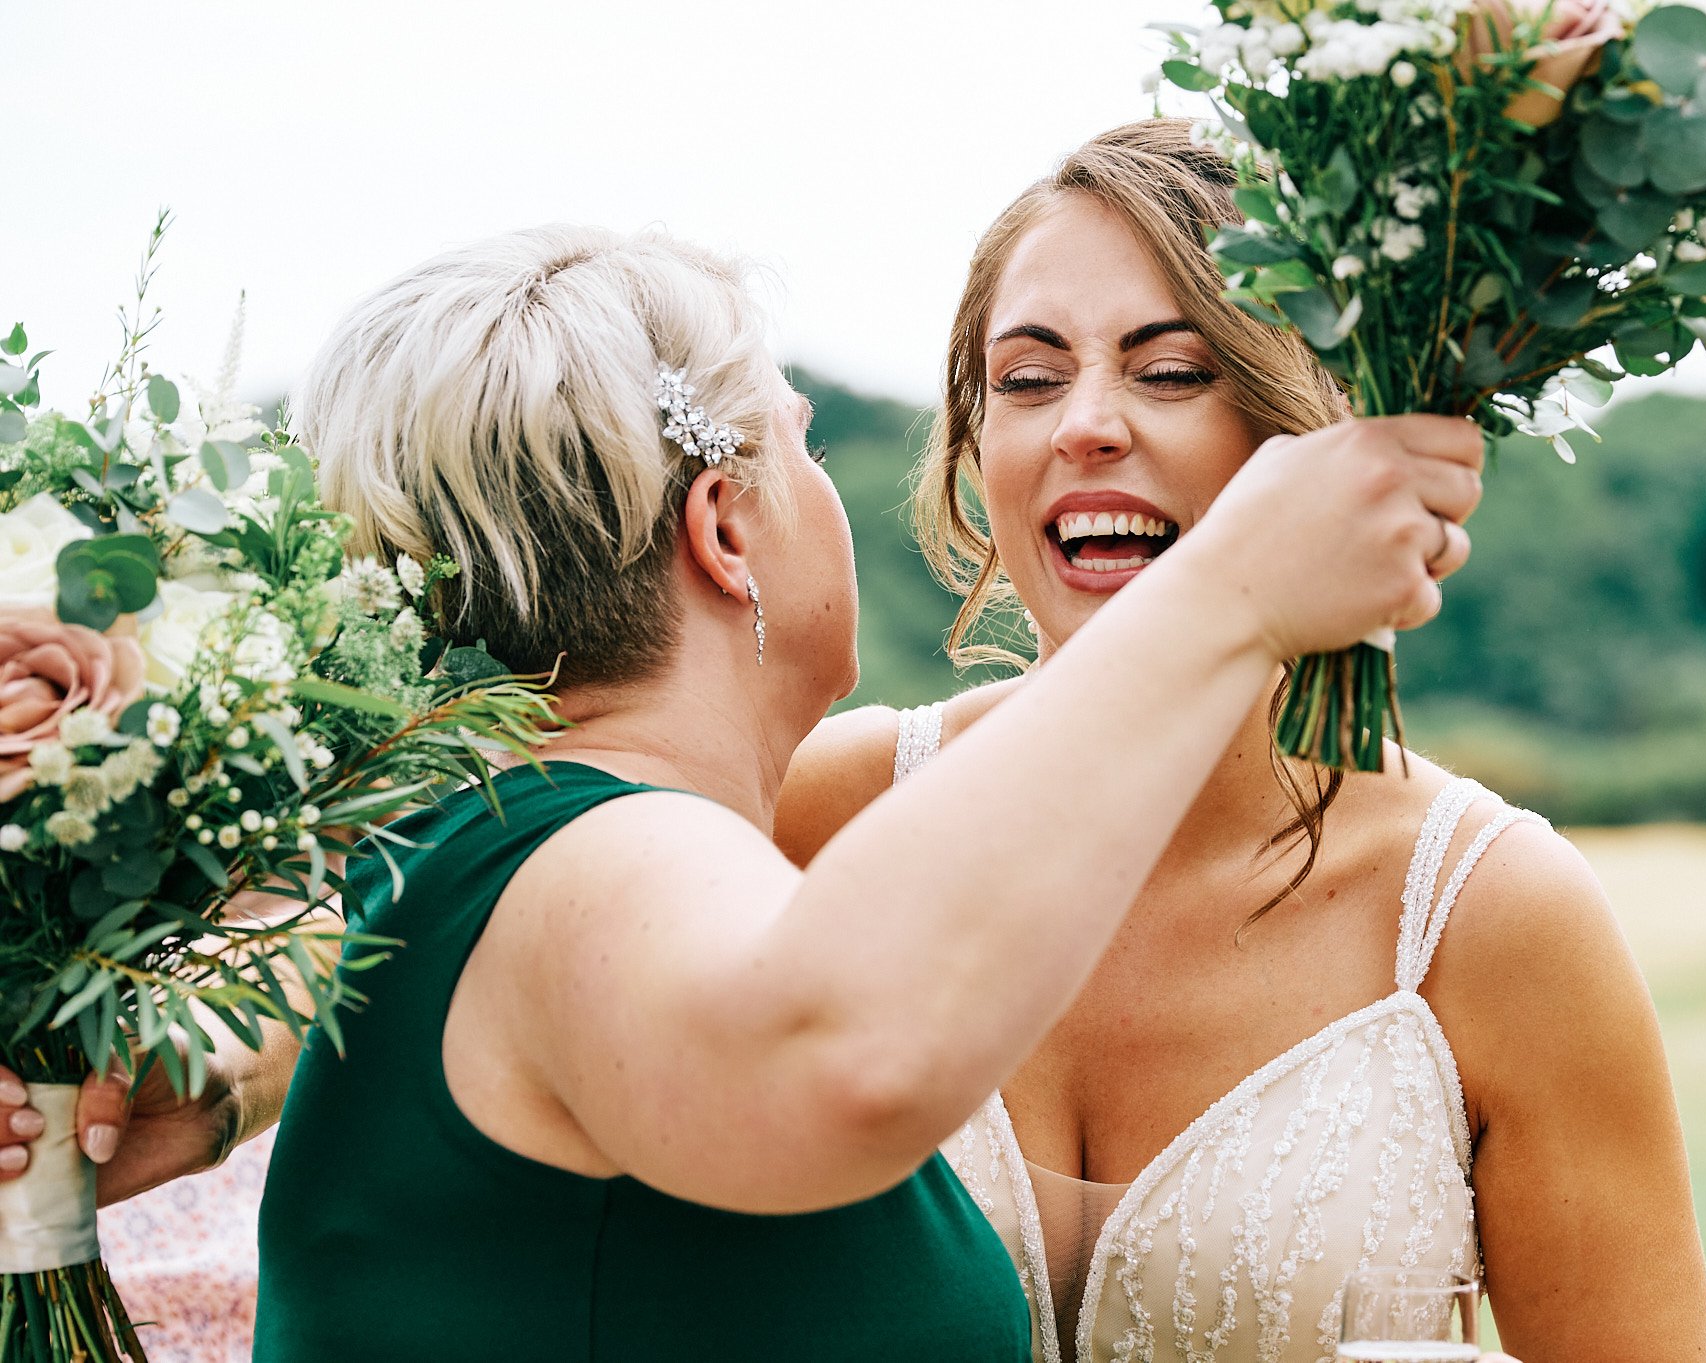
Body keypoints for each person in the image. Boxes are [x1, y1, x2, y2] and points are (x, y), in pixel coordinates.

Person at [206, 222, 1481, 1361]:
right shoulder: (609, 857)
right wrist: (1238, 591)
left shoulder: (459, 845)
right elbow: (838, 1055)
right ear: (723, 529)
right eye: (802, 449)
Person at [772, 121, 1706, 1363]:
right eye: (1028, 377)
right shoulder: (820, 814)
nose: (1085, 426)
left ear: (1323, 429)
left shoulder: (1489, 917)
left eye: (1171, 371)